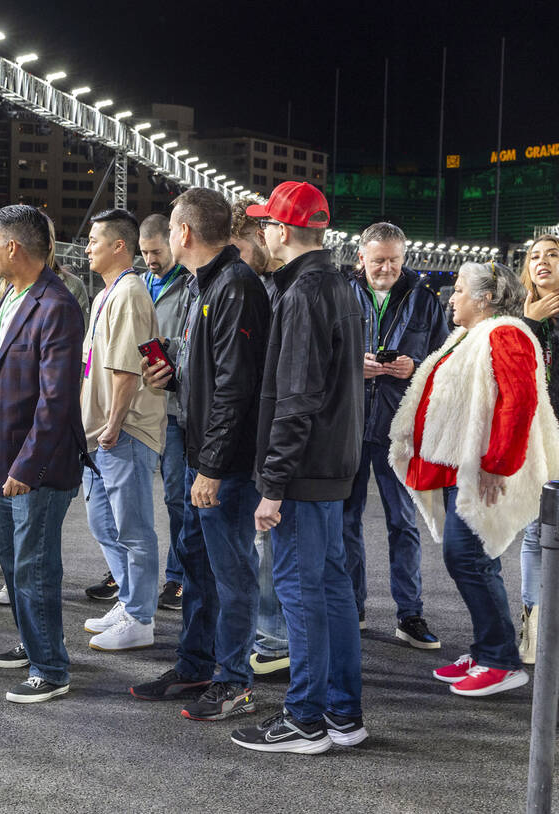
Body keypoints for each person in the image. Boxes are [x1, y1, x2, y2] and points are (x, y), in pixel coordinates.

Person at [230, 181, 366, 754]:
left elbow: (296, 398)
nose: (262, 231)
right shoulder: (336, 286)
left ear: (282, 231)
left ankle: (305, 717)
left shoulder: (303, 292)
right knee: (330, 589)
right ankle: (340, 713)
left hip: (304, 473)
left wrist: (274, 483)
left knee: (300, 592)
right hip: (331, 468)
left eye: (266, 224)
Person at [129, 188, 269, 723]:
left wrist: (211, 466)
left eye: (169, 231)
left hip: (222, 463)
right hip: (197, 450)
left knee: (231, 573)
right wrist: (171, 375)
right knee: (196, 566)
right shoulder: (198, 285)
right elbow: (210, 375)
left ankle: (234, 682)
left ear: (183, 234)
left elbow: (238, 387)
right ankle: (196, 666)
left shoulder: (236, 286)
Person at [390, 261, 559, 697]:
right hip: (463, 467)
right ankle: (490, 648)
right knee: (469, 559)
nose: (452, 297)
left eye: (461, 290)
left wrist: (496, 465)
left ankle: (501, 659)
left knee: (468, 558)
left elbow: (517, 403)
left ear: (484, 298)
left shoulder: (505, 333)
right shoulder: (473, 334)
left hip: (485, 471)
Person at [0, 204, 86, 703]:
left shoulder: (56, 305)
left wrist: (27, 466)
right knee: (14, 561)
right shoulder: (9, 295)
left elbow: (56, 399)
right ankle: (32, 641)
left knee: (35, 565)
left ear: (13, 248)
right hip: (2, 458)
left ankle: (51, 667)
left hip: (34, 466)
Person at [343, 222, 449, 648]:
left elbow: (443, 359)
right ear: (360, 258)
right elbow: (322, 349)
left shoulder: (425, 300)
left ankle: (410, 614)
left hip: (398, 428)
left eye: (393, 260)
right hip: (349, 424)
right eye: (377, 260)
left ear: (404, 258)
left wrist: (415, 364)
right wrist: (355, 362)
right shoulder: (340, 293)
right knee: (346, 521)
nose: (386, 267)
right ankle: (353, 606)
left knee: (403, 522)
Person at [79, 209, 166, 653]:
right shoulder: (105, 295)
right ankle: (130, 599)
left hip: (124, 428)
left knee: (133, 527)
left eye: (95, 240)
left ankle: (140, 617)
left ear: (119, 246)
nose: (87, 246)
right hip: (100, 432)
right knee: (102, 520)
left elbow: (126, 369)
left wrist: (113, 423)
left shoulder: (129, 292)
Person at [228, 201, 289, 677]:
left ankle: (275, 639)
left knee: (269, 543)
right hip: (256, 436)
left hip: (270, 441)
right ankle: (265, 634)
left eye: (238, 248)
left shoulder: (278, 287)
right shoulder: (252, 283)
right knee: (256, 543)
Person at [138, 213, 192, 612]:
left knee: (177, 496)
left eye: (156, 251)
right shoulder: (138, 283)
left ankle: (178, 577)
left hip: (173, 406)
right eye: (144, 253)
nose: (150, 259)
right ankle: (124, 572)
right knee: (129, 494)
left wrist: (167, 350)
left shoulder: (191, 286)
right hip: (140, 404)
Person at [517, 233, 559, 664]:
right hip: (537, 439)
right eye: (535, 257)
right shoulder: (522, 317)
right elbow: (511, 375)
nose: (542, 262)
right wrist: (529, 323)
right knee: (534, 533)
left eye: (552, 255)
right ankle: (533, 629)